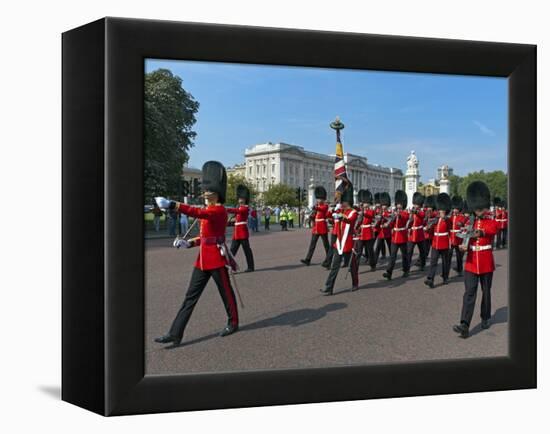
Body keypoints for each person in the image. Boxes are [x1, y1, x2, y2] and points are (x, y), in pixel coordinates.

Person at [154, 161, 239, 346]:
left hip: (217, 259)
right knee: (190, 297)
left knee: (226, 293)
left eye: (209, 189)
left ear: (217, 192)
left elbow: (198, 213)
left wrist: (172, 205)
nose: (206, 191)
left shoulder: (218, 211)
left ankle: (233, 322)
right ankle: (175, 333)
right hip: (202, 260)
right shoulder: (209, 210)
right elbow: (205, 238)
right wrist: (188, 243)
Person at [453, 181, 499, 338]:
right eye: (476, 207)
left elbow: (493, 229)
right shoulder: (469, 221)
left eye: (480, 207)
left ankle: (485, 317)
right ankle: (464, 324)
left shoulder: (490, 220)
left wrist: (480, 233)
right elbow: (463, 236)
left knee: (486, 292)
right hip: (471, 261)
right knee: (469, 292)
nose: (478, 210)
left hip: (486, 261)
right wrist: (462, 246)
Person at [322, 185, 359, 295]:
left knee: (352, 266)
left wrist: (341, 215)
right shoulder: (339, 209)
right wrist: (332, 206)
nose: (342, 203)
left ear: (348, 202)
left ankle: (355, 283)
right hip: (339, 244)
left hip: (348, 244)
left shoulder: (353, 212)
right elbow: (328, 216)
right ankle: (329, 288)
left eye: (343, 201)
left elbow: (350, 220)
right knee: (335, 266)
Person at [424, 193, 452, 288]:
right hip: (435, 243)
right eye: (440, 209)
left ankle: (445, 277)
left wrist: (445, 218)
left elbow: (450, 227)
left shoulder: (448, 219)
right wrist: (428, 228)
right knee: (433, 261)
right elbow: (431, 229)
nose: (441, 211)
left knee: (445, 262)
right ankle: (430, 279)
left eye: (442, 210)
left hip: (444, 243)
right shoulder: (435, 218)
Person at [227, 185, 255, 272]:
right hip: (236, 233)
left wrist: (224, 209)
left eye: (242, 198)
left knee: (247, 250)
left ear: (245, 199)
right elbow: (235, 218)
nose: (240, 199)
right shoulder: (238, 207)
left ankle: (251, 267)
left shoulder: (245, 208)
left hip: (242, 232)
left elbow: (237, 211)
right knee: (232, 251)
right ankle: (230, 267)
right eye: (239, 198)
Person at [383, 190, 410, 280]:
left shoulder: (405, 213)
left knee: (404, 256)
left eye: (400, 204)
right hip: (394, 237)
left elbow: (405, 218)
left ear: (403, 204)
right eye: (398, 203)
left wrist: (399, 215)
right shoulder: (394, 213)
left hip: (402, 237)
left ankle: (406, 270)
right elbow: (391, 223)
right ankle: (389, 272)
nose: (398, 205)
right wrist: (387, 224)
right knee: (392, 256)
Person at [301, 186, 330, 266]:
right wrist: (312, 216)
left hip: (322, 227)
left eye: (319, 199)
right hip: (316, 228)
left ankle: (329, 259)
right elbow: (315, 215)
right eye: (317, 199)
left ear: (323, 199)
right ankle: (308, 259)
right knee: (312, 244)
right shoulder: (317, 207)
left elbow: (322, 210)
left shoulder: (325, 206)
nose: (318, 200)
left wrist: (316, 208)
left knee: (326, 245)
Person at [355, 189, 377, 271]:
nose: (365, 204)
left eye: (367, 203)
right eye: (364, 203)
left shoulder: (371, 211)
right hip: (361, 233)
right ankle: (355, 267)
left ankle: (372, 265)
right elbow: (358, 222)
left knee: (370, 251)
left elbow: (370, 216)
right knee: (359, 251)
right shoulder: (360, 211)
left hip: (368, 233)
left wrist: (363, 213)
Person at [406, 192, 427, 271]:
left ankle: (422, 264)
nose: (415, 205)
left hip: (419, 234)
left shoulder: (421, 211)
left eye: (417, 204)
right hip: (412, 234)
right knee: (409, 252)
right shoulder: (411, 210)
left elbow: (422, 215)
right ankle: (407, 267)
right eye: (414, 204)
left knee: (422, 251)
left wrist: (416, 212)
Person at [447, 195, 466, 275]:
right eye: (454, 208)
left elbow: (463, 223)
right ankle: (446, 272)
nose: (455, 210)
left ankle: (460, 270)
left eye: (456, 209)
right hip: (451, 239)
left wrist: (461, 224)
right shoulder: (450, 217)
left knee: (459, 256)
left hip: (458, 238)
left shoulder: (462, 217)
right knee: (448, 256)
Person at [374, 192, 392, 264]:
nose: (384, 206)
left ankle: (392, 258)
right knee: (378, 246)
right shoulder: (379, 211)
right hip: (381, 232)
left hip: (387, 232)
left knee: (390, 246)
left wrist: (384, 218)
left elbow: (390, 220)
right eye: (383, 205)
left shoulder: (390, 211)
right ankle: (374, 261)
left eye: (385, 205)